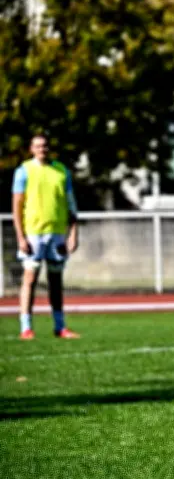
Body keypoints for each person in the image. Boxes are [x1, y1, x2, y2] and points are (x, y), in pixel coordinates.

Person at [12, 134, 80, 340]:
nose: (42, 149)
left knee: (56, 281)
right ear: (31, 149)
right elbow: (16, 207)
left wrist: (73, 234)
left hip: (57, 234)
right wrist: (21, 237)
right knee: (30, 279)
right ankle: (26, 327)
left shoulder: (61, 171)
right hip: (33, 233)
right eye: (38, 146)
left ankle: (60, 326)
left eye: (45, 146)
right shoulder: (24, 171)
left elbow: (71, 205)